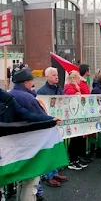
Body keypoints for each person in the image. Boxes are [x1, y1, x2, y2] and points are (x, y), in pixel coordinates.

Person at [9, 69, 61, 201]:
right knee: (31, 182)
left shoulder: (11, 94)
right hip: (29, 143)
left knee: (22, 180)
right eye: (31, 81)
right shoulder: (27, 97)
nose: (33, 84)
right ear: (26, 82)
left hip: (15, 144)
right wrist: (52, 119)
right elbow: (39, 116)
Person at [37, 67, 67, 187]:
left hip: (58, 122)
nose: (57, 77)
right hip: (48, 124)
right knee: (48, 149)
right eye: (54, 75)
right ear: (47, 77)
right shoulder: (42, 91)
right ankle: (47, 175)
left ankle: (54, 172)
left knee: (56, 148)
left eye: (57, 75)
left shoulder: (58, 89)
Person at [64, 71, 89, 170]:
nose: (80, 80)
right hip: (72, 116)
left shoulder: (75, 87)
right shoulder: (68, 87)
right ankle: (72, 160)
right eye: (78, 78)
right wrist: (77, 93)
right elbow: (71, 97)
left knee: (78, 138)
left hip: (77, 115)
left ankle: (76, 159)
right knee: (74, 139)